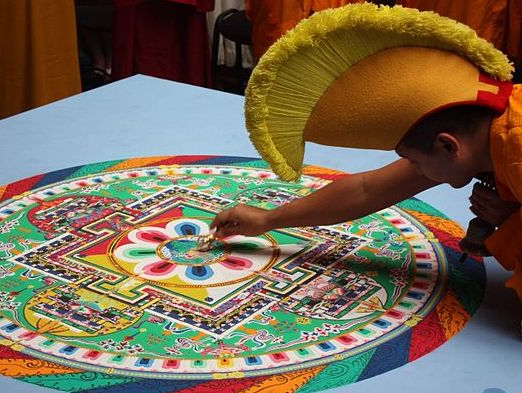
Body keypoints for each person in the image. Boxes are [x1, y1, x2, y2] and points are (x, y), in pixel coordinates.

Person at [210, 4, 522, 300]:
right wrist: (267, 220)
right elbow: (366, 189)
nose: (414, 169)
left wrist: (512, 223)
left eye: (413, 160)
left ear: (448, 145)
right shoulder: (484, 130)